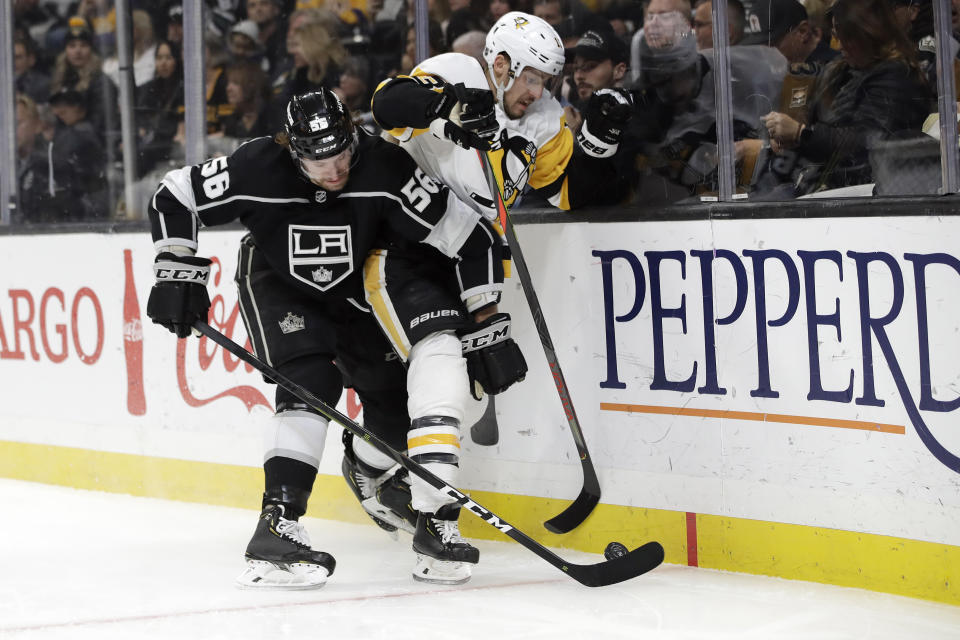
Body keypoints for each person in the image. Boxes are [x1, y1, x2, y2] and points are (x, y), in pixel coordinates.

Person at [145, 88, 524, 588]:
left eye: (342, 153)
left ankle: (417, 517)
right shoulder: (255, 166)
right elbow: (173, 195)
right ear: (290, 147)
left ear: (352, 135)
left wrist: (484, 321)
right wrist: (176, 270)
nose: (335, 170)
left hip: (351, 297)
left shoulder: (384, 168)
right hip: (277, 284)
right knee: (310, 385)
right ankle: (277, 524)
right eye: (318, 160)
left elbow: (470, 237)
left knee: (393, 410)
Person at [372, 10, 633, 218]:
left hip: (471, 250)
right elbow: (385, 103)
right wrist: (446, 107)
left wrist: (599, 146)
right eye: (531, 79)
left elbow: (567, 194)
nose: (538, 93)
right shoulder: (456, 74)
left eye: (546, 81)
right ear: (500, 64)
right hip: (406, 232)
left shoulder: (543, 120)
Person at [759, 0, 931, 196]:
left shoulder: (898, 76)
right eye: (835, 36)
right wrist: (787, 136)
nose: (839, 46)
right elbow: (813, 118)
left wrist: (801, 134)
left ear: (870, 35)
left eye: (847, 38)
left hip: (867, 188)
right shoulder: (839, 71)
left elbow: (869, 140)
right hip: (822, 180)